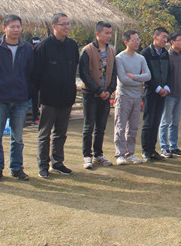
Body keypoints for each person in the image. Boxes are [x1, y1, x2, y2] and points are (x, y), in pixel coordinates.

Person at [0, 14, 34, 182]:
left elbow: (29, 72)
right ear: (4, 28)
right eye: (12, 27)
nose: (16, 30)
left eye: (18, 26)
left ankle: (17, 168)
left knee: (17, 137)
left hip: (20, 98)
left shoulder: (26, 48)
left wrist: (24, 89)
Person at [33, 13, 79, 178]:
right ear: (54, 26)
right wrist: (38, 99)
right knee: (44, 134)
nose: (67, 27)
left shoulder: (72, 46)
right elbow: (35, 75)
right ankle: (43, 165)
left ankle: (57, 163)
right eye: (63, 24)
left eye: (68, 24)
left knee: (61, 133)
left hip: (66, 97)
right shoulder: (43, 47)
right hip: (48, 98)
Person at [79, 21, 117, 169]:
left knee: (101, 127)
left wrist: (109, 90)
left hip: (106, 95)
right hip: (90, 94)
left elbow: (114, 73)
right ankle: (87, 155)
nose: (109, 36)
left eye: (110, 33)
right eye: (106, 33)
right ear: (97, 33)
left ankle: (98, 154)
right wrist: (98, 91)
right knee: (89, 126)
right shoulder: (87, 50)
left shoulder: (111, 51)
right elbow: (84, 74)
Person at [113, 30, 150, 165]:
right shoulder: (119, 58)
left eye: (138, 39)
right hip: (123, 96)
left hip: (137, 96)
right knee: (120, 125)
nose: (137, 42)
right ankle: (120, 153)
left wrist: (134, 77)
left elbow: (148, 76)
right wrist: (139, 80)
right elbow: (123, 79)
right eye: (134, 40)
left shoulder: (141, 58)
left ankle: (130, 153)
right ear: (126, 42)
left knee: (133, 127)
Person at [140, 27, 170, 162]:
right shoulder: (145, 53)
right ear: (155, 37)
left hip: (163, 93)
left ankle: (153, 150)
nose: (165, 40)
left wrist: (166, 87)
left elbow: (168, 71)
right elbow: (145, 75)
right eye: (163, 37)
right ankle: (146, 151)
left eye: (166, 37)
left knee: (156, 122)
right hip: (150, 92)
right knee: (148, 122)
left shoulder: (165, 53)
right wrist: (157, 88)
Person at [159, 32, 181, 158]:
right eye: (179, 40)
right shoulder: (167, 56)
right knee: (165, 121)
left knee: (175, 122)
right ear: (172, 42)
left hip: (180, 94)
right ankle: (164, 147)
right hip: (169, 94)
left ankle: (173, 146)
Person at [28, 36, 42, 126]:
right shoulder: (28, 54)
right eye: (34, 45)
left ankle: (35, 119)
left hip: (37, 83)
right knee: (22, 101)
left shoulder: (42, 54)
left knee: (36, 101)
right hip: (28, 82)